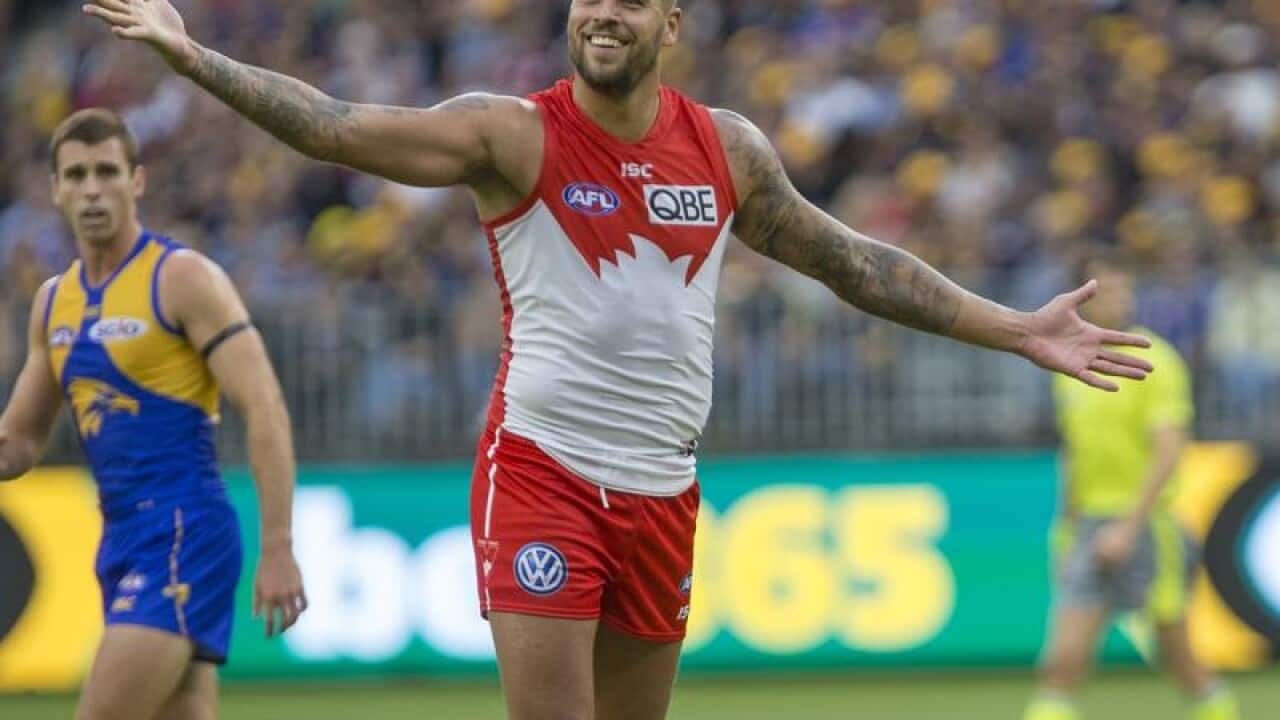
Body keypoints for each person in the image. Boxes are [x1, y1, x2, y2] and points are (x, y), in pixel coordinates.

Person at [85, 1, 1154, 718]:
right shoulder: (510, 134)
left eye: (630, 1)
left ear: (669, 24)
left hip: (663, 492)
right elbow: (334, 126)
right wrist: (193, 55)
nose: (603, 12)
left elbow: (856, 265)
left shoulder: (727, 149)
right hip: (541, 470)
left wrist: (1016, 328)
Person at [0, 108, 306, 720]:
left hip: (182, 531)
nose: (92, 189)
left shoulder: (181, 278)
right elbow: (19, 444)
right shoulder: (53, 303)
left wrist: (278, 544)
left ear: (136, 181)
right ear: (55, 188)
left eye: (107, 171)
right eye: (77, 175)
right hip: (120, 538)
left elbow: (265, 405)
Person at [1024, 254, 1239, 720]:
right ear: (1080, 300)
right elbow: (1074, 453)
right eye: (1108, 292)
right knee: (1062, 661)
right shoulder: (1069, 365)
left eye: (1124, 289)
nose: (1120, 299)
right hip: (1089, 526)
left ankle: (1217, 708)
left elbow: (1169, 450)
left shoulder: (1155, 358)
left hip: (1147, 527)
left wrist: (1128, 527)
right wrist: (1066, 528)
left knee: (1175, 654)